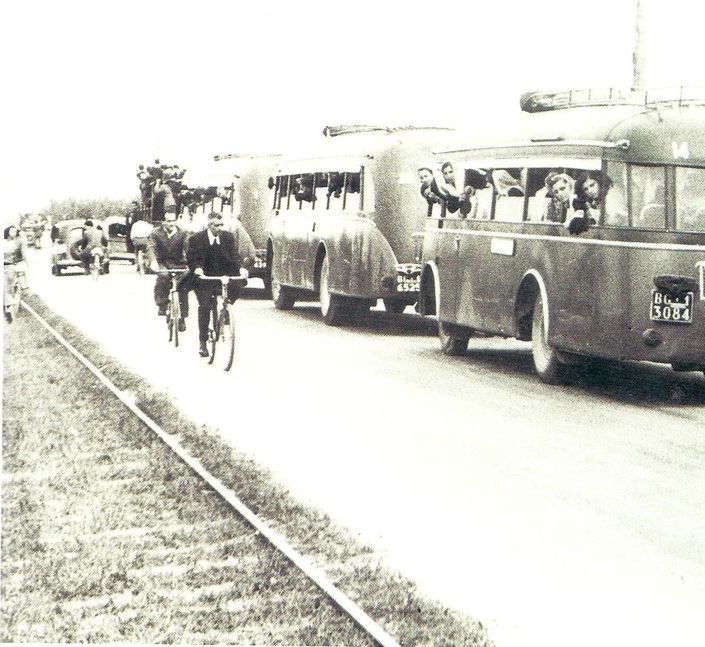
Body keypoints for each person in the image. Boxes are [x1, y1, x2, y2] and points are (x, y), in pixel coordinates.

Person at [186, 211, 243, 357]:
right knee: (205, 307)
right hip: (204, 278)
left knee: (237, 285)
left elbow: (234, 256)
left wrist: (241, 268)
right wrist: (198, 269)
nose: (219, 228)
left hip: (221, 275)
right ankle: (203, 343)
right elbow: (192, 259)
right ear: (209, 225)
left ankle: (226, 310)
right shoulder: (196, 239)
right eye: (216, 225)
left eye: (221, 225)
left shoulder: (227, 237)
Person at [149, 212, 191, 330]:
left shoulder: (183, 232)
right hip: (163, 262)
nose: (171, 223)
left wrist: (191, 261)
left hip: (179, 263)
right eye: (168, 221)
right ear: (163, 222)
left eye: (173, 220)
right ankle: (162, 304)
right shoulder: (155, 233)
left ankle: (182, 318)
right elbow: (151, 248)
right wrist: (153, 261)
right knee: (163, 276)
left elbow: (187, 247)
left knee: (183, 287)